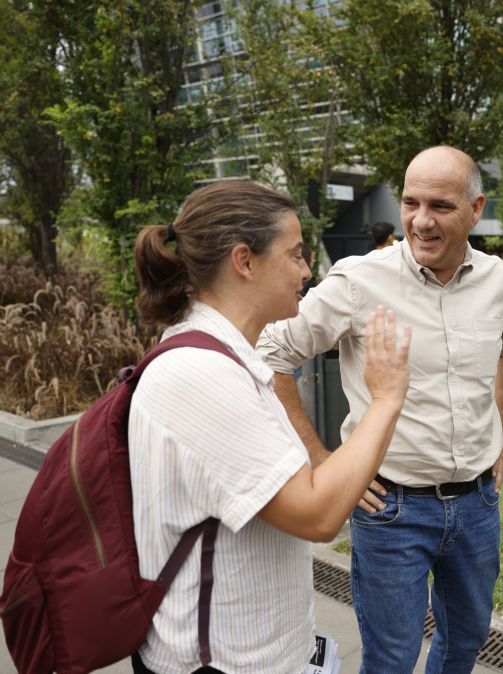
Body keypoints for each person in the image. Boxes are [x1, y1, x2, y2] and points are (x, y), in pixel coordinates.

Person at [257, 145, 503, 674]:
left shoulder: (501, 280)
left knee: (465, 644)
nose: (421, 221)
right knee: (391, 660)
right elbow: (268, 356)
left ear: (476, 208)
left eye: (441, 207)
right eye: (411, 203)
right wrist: (319, 458)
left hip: (477, 506)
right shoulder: (359, 281)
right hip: (391, 513)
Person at [129, 180, 410, 674]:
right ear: (245, 261)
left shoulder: (224, 357)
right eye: (296, 254)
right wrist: (386, 399)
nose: (306, 270)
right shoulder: (202, 375)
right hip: (220, 663)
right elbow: (318, 515)